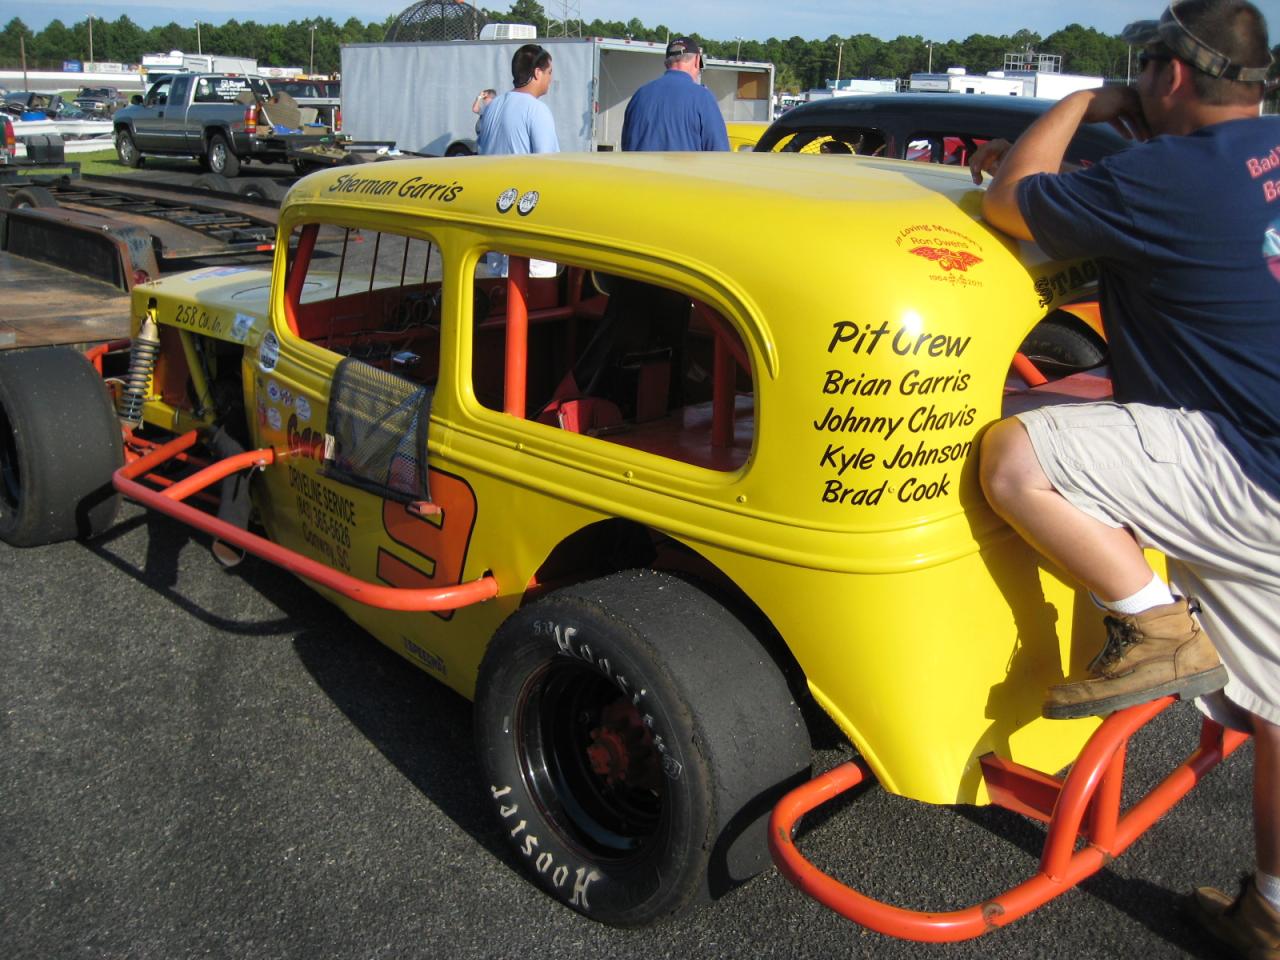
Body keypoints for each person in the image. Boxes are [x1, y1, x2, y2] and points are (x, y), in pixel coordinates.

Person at [970, 2, 1279, 955]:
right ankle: (1272, 912)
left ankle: (1153, 624)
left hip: (1242, 465)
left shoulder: (1170, 175)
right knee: (1279, 713)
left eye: (1144, 64)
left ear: (1170, 75)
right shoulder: (1252, 154)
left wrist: (1083, 101)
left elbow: (1009, 199)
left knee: (1013, 455)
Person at [621, 37, 730, 152]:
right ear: (697, 60)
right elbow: (719, 152)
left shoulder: (639, 96)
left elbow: (626, 146)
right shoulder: (703, 98)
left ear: (666, 63)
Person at [477, 44, 558, 156]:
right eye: (549, 72)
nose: (550, 79)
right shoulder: (537, 110)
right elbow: (547, 161)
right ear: (538, 73)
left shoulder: (492, 106)